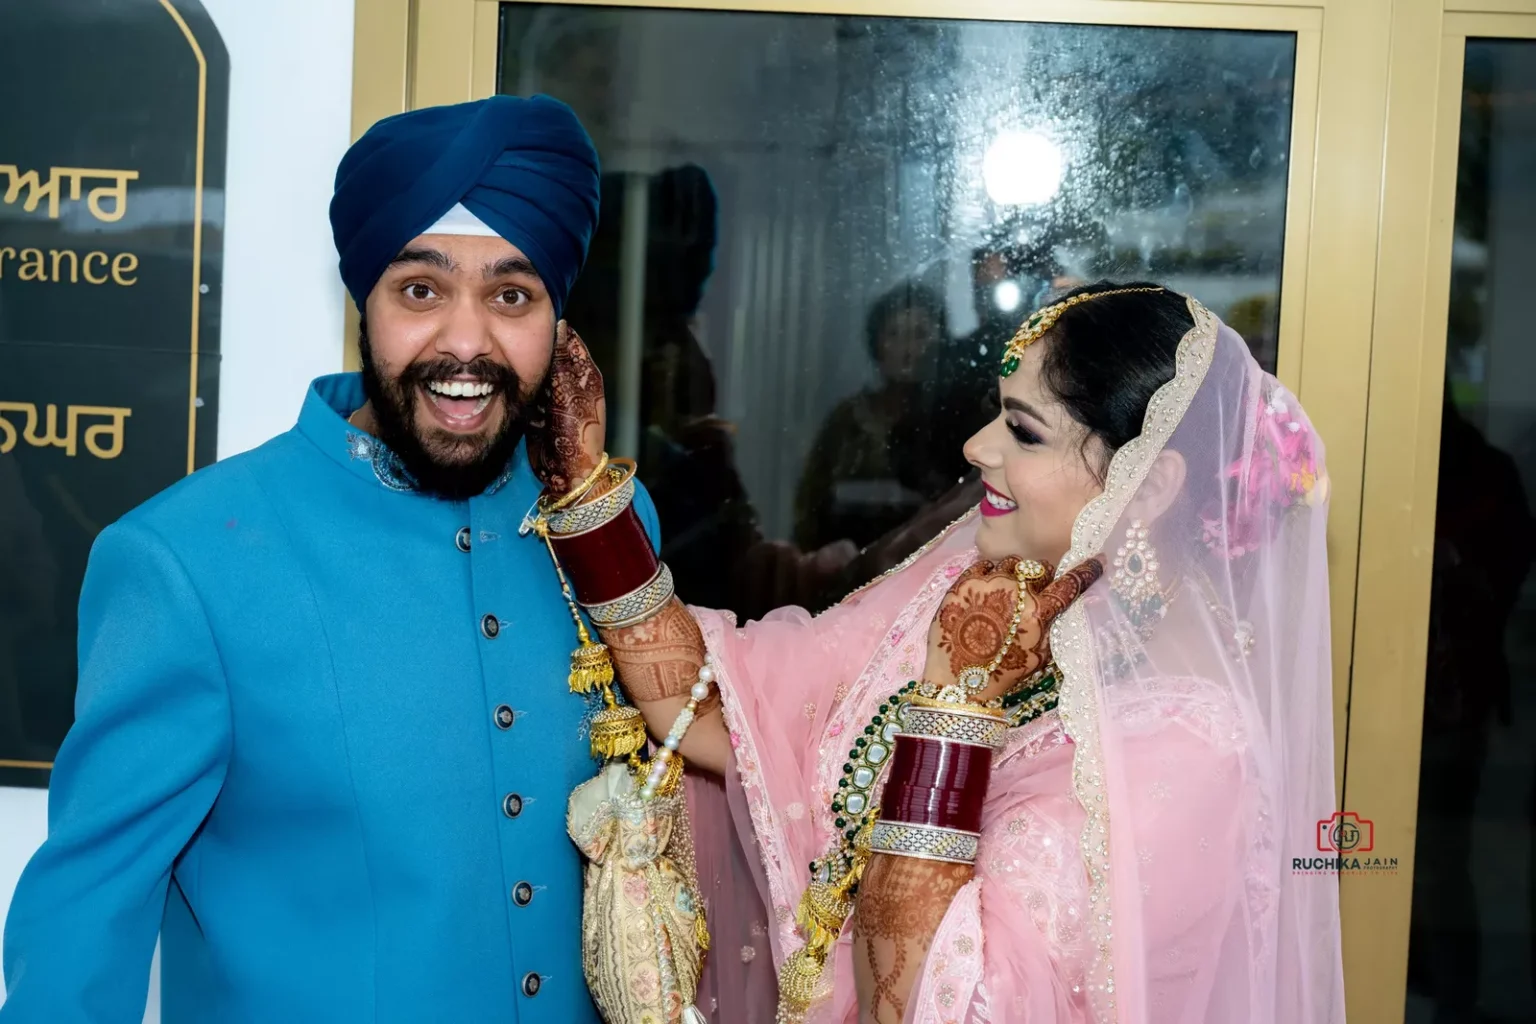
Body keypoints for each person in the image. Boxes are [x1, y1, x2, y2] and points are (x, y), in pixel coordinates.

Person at [0, 95, 648, 1022]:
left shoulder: (611, 528)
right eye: (420, 291)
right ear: (363, 299)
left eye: (513, 295)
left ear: (559, 319)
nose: (466, 342)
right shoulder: (186, 562)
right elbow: (83, 932)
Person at [536, 281, 1344, 1021]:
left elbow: (938, 1007)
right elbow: (716, 711)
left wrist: (953, 705)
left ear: (1151, 486)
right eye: (998, 411)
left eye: (1023, 431)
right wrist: (588, 500)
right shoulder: (980, 586)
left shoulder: (1192, 749)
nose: (977, 447)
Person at [794, 282, 949, 554]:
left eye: (920, 334)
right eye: (895, 334)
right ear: (877, 343)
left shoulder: (948, 420)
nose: (908, 349)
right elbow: (810, 507)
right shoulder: (845, 421)